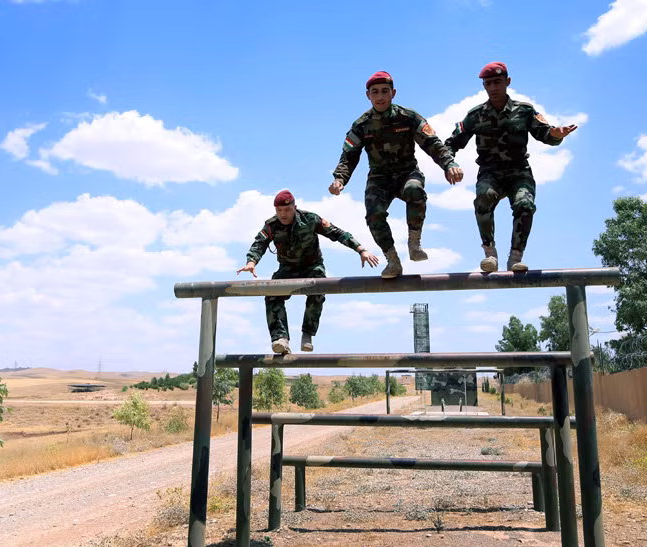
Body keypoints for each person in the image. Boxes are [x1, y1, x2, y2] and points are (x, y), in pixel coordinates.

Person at [444, 61, 578, 272]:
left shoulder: (524, 111)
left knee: (525, 205)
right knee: (484, 197)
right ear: (484, 87)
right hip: (490, 172)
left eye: (497, 82)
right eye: (488, 84)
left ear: (508, 82)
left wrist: (555, 135)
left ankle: (515, 257)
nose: (493, 88)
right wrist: (450, 163)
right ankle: (490, 253)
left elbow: (544, 133)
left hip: (519, 171)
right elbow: (451, 143)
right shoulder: (476, 115)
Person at [329, 70, 463, 278]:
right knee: (373, 213)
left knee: (414, 190)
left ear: (393, 93)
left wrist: (449, 164)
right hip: (379, 178)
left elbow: (432, 143)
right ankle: (392, 260)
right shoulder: (362, 125)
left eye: (385, 92)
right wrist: (340, 179)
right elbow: (348, 156)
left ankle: (414, 243)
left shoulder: (408, 117)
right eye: (375, 92)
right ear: (368, 95)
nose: (380, 97)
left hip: (407, 172)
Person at [237, 189, 378, 354]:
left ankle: (307, 334)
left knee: (319, 288)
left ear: (294, 207)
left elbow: (337, 233)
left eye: (287, 210)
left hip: (312, 266)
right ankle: (281, 339)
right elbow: (259, 243)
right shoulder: (271, 225)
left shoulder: (310, 219)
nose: (283, 214)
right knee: (272, 295)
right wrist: (251, 262)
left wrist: (361, 250)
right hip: (287, 269)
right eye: (279, 210)